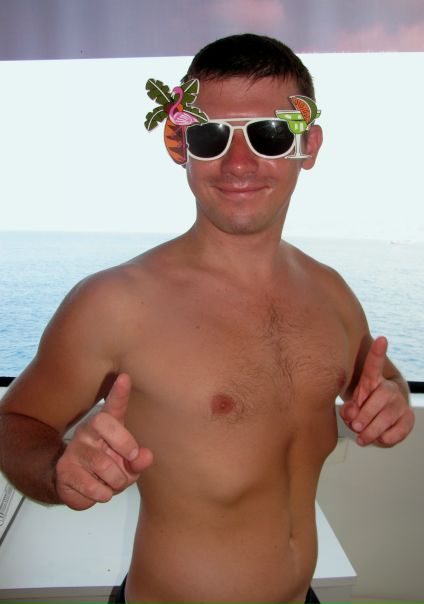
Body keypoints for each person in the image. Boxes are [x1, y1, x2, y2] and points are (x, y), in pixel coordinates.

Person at [0, 33, 415, 604]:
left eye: (270, 135)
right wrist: (56, 471)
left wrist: (391, 400)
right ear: (181, 144)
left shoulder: (331, 292)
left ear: (308, 145)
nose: (237, 163)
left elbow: (379, 379)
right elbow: (15, 422)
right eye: (211, 135)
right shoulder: (115, 303)